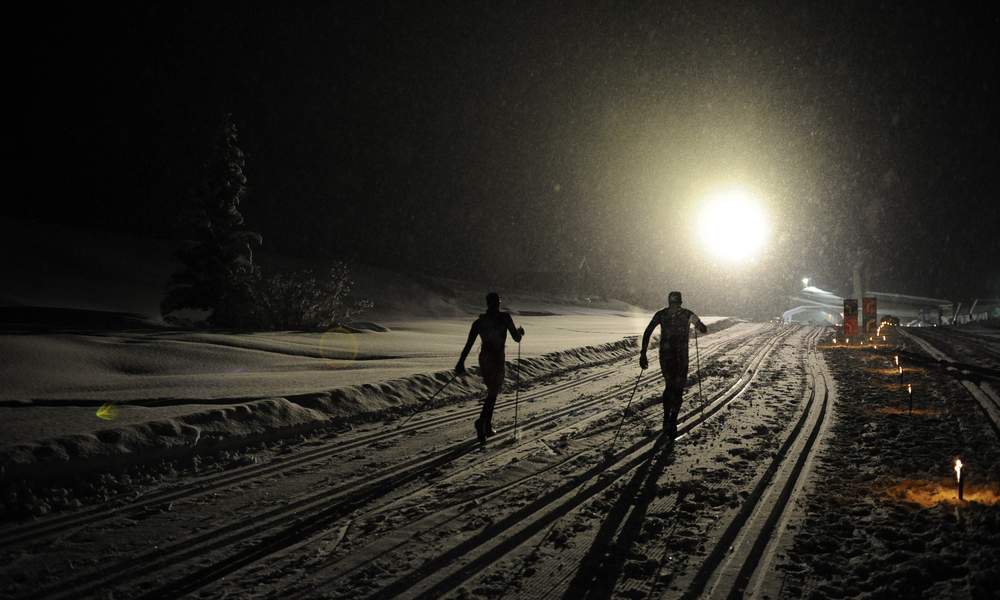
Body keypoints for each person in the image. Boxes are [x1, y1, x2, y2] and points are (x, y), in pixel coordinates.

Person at [456, 292, 525, 445]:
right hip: (497, 358)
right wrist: (520, 332)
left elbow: (468, 345)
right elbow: (516, 338)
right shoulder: (504, 318)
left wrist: (460, 362)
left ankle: (486, 425)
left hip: (484, 358)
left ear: (487, 304)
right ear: (498, 303)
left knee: (492, 391)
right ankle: (482, 421)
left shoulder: (479, 322)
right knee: (493, 392)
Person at [639, 291, 708, 440]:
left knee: (670, 386)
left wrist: (643, 353)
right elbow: (703, 329)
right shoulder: (687, 314)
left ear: (669, 302)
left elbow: (648, 331)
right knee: (678, 389)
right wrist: (698, 324)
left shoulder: (661, 314)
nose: (675, 306)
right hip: (680, 358)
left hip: (666, 356)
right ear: (681, 302)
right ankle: (672, 421)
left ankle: (667, 420)